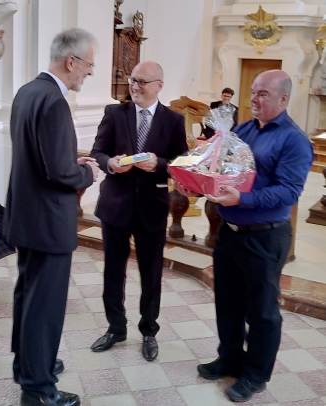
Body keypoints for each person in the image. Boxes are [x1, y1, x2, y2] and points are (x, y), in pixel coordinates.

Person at [175, 70, 314, 403]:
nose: (254, 99)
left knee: (262, 311)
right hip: (230, 232)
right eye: (252, 92)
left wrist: (243, 200)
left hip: (265, 237)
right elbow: (220, 170)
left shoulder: (294, 140)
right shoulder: (242, 129)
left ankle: (255, 375)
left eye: (263, 93)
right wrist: (193, 184)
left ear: (283, 99)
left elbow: (288, 192)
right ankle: (230, 359)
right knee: (228, 301)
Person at [3, 28, 99, 406]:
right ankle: (38, 390)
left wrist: (66, 161)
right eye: (88, 65)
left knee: (28, 295)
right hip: (48, 221)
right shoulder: (55, 102)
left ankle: (27, 364)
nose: (88, 73)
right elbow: (59, 173)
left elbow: (37, 156)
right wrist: (90, 173)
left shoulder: (28, 92)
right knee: (45, 306)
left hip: (25, 216)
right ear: (71, 61)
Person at [90, 61, 188, 361]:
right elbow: (98, 152)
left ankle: (149, 331)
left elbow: (181, 160)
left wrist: (158, 164)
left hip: (152, 207)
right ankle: (116, 327)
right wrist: (110, 163)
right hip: (116, 205)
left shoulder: (173, 120)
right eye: (133, 80)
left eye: (143, 82)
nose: (135, 86)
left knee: (151, 274)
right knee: (113, 272)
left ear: (159, 85)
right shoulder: (114, 113)